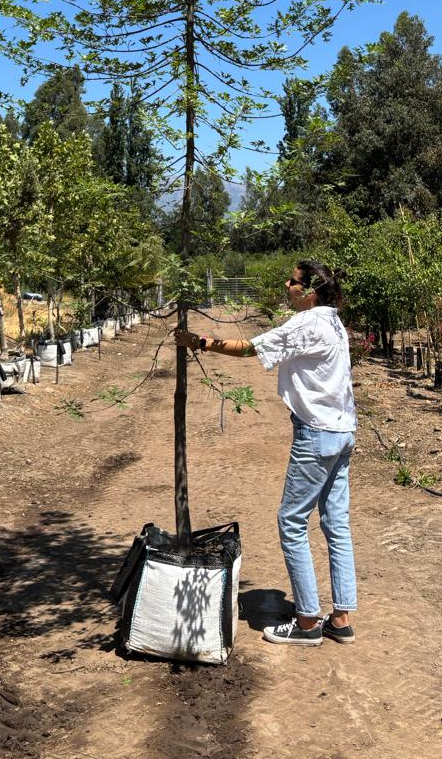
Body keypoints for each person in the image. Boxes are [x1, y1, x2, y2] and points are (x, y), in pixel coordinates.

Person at [175, 259, 357, 647]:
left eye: (293, 281)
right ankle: (340, 619)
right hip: (342, 431)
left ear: (309, 290)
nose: (286, 285)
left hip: (317, 433)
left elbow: (249, 348)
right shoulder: (333, 321)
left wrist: (199, 342)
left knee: (291, 522)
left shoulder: (308, 322)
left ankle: (307, 622)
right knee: (335, 523)